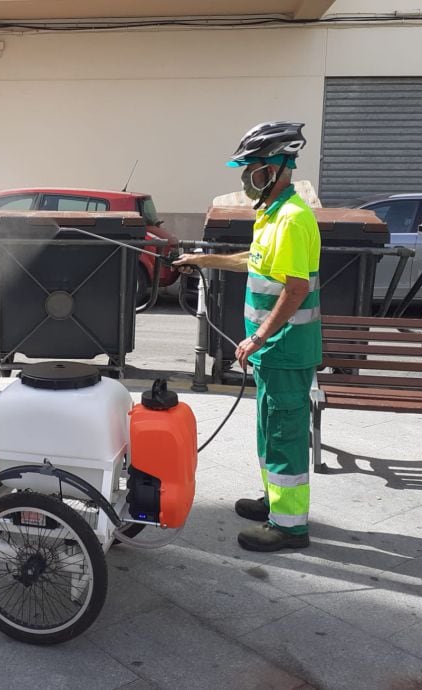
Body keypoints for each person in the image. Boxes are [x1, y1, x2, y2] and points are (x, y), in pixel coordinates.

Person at [174, 121, 321, 552]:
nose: (245, 177)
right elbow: (254, 262)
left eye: (252, 167)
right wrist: (205, 259)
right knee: (271, 430)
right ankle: (276, 502)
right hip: (273, 351)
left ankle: (290, 526)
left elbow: (296, 289)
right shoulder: (271, 215)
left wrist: (256, 340)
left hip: (285, 349)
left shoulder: (293, 219)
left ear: (276, 168)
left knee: (283, 435)